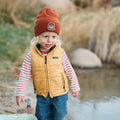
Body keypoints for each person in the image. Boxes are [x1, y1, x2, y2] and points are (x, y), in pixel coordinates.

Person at [16, 7, 80, 120]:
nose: (50, 40)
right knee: (42, 116)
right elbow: (24, 75)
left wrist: (75, 85)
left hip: (60, 94)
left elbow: (69, 70)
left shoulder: (60, 52)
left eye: (53, 37)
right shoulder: (31, 56)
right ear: (37, 36)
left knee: (59, 115)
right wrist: (20, 93)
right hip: (42, 95)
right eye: (45, 36)